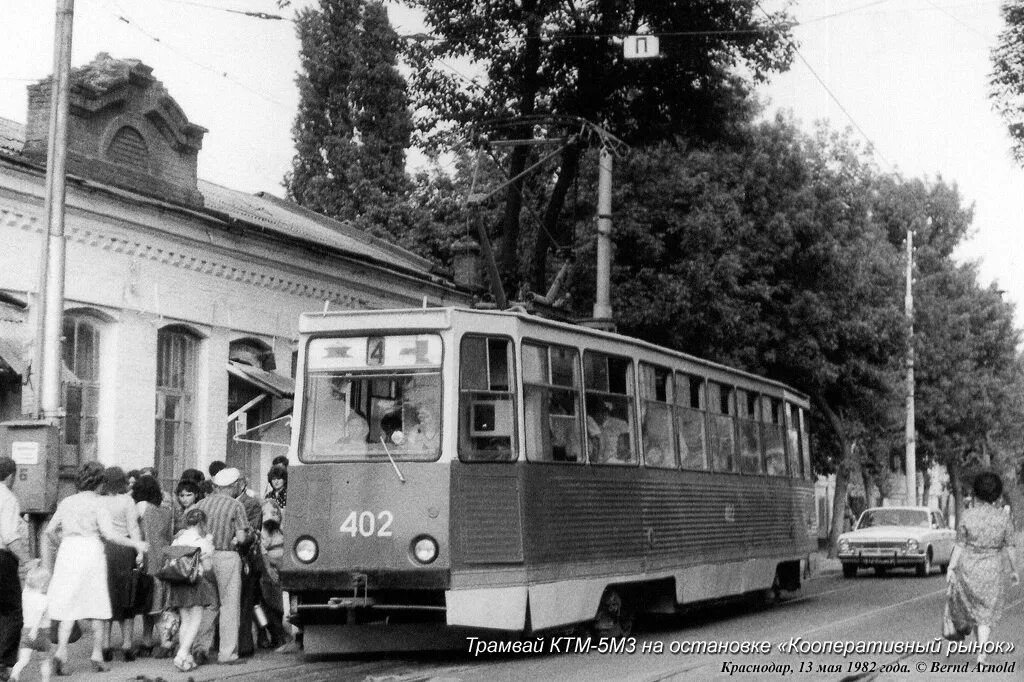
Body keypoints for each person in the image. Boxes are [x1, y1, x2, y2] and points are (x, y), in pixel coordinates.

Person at [44, 461, 148, 675]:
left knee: (68, 604)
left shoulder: (67, 502)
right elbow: (110, 535)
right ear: (99, 482)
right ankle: (97, 655)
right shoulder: (98, 504)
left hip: (68, 550)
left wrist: (61, 543)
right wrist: (136, 544)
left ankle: (62, 653)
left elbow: (50, 530)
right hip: (91, 549)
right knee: (98, 603)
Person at [946, 471, 1020, 664]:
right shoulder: (1003, 518)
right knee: (985, 614)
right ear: (997, 494)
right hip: (992, 570)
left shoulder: (967, 515)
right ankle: (981, 654)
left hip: (968, 569)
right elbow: (1010, 546)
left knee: (976, 612)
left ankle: (980, 649)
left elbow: (960, 545)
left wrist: (951, 567)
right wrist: (1014, 570)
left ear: (976, 492)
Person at [192, 467, 251, 665]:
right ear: (234, 486)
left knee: (209, 604)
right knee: (229, 605)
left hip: (204, 557)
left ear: (216, 486)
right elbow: (242, 538)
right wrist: (248, 535)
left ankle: (200, 648)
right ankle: (227, 654)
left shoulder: (201, 503)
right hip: (227, 556)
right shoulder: (235, 505)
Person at [163, 508, 216, 673]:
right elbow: (208, 568)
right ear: (202, 523)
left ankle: (187, 658)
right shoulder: (202, 541)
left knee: (185, 620)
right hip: (195, 583)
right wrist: (211, 547)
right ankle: (182, 653)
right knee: (196, 620)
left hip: (178, 583)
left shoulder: (178, 539)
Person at [99, 466, 144, 662]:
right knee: (128, 596)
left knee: (107, 597)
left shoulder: (99, 501)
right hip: (125, 550)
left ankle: (106, 645)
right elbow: (133, 528)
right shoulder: (127, 501)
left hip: (105, 549)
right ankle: (126, 644)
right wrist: (140, 551)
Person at [132, 476, 173, 657]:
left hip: (148, 559)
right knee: (153, 604)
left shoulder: (141, 507)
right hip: (163, 559)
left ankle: (166, 642)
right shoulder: (166, 511)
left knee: (154, 606)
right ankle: (147, 641)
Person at [1, 457, 28, 682]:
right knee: (12, 611)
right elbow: (10, 536)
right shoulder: (7, 497)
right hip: (2, 558)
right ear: (11, 476)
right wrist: (27, 560)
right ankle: (4, 662)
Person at [233, 474, 262, 658]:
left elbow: (251, 529)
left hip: (246, 557)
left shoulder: (251, 504)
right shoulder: (229, 502)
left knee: (245, 603)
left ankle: (244, 644)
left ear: (242, 484)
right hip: (233, 554)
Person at [9, 560, 50, 682]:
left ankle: (14, 675)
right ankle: (45, 680)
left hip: (26, 632)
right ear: (43, 584)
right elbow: (39, 614)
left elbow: (28, 584)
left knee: (23, 660)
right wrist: (35, 629)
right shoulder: (43, 599)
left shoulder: (25, 594)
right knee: (44, 661)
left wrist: (32, 568)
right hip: (41, 632)